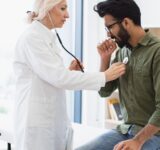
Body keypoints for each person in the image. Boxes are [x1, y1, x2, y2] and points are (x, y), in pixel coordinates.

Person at [13, 0, 126, 150]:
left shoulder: (46, 37)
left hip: (51, 120)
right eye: (63, 8)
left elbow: (51, 76)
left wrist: (68, 72)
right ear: (46, 9)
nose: (68, 15)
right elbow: (58, 78)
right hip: (38, 125)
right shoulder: (32, 38)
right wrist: (105, 76)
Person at [76, 0, 160, 150]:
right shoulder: (122, 52)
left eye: (110, 27)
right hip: (124, 130)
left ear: (126, 22)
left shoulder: (157, 52)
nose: (108, 34)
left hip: (152, 135)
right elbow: (104, 91)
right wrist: (105, 60)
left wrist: (137, 141)